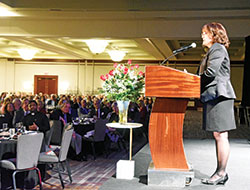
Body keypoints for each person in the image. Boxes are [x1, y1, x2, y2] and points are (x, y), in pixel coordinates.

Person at [198, 22, 236, 185]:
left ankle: (221, 173)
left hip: (220, 95)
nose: (202, 36)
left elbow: (211, 72)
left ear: (214, 34)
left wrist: (195, 80)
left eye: (205, 33)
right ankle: (221, 172)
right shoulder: (212, 51)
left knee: (221, 135)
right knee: (218, 135)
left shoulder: (218, 48)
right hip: (215, 95)